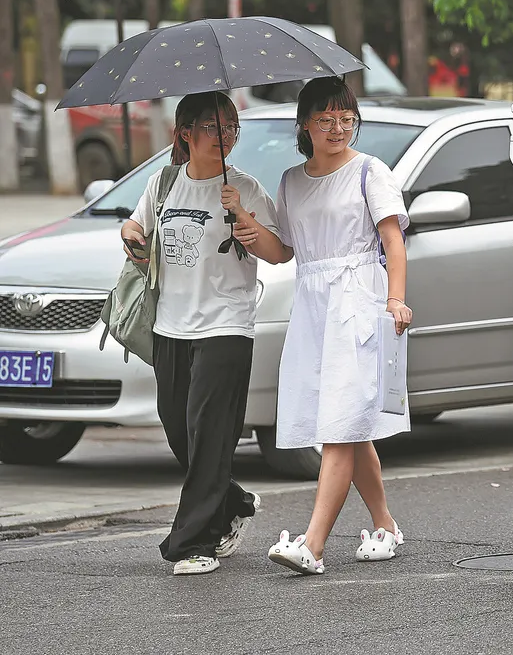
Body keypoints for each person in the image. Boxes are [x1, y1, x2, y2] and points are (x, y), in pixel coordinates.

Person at [230, 76, 413, 576]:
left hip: (358, 300)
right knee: (351, 427)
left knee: (338, 424)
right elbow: (283, 250)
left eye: (346, 118)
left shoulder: (369, 172)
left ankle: (312, 544)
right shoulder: (291, 181)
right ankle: (386, 526)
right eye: (326, 119)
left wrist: (396, 300)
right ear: (304, 125)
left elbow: (393, 242)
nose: (338, 128)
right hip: (313, 305)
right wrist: (247, 225)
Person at [119, 91, 277, 576]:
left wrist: (245, 220)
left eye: (231, 127)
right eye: (212, 127)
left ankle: (193, 542)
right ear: (184, 134)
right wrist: (130, 235)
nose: (224, 136)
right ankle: (233, 502)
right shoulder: (164, 182)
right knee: (178, 427)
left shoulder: (245, 189)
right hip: (170, 324)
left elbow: (278, 252)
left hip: (226, 325)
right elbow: (136, 225)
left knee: (208, 432)